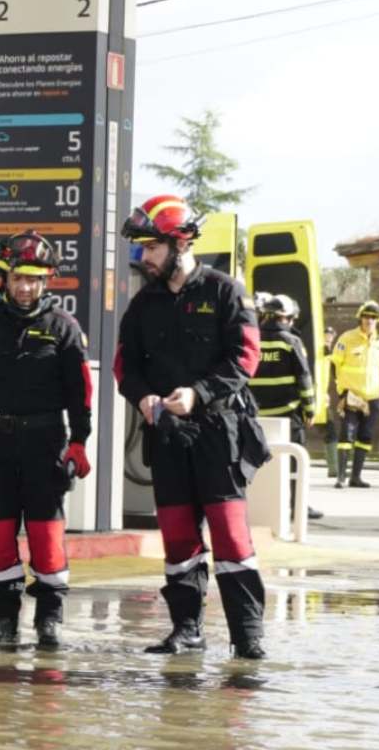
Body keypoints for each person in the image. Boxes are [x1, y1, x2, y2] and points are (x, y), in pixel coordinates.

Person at [114, 194, 270, 660]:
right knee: (178, 539)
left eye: (151, 248)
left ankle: (248, 637)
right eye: (142, 249)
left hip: (219, 433)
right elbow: (126, 366)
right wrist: (142, 397)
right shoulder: (143, 305)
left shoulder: (226, 291)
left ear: (179, 243)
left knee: (231, 539)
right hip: (166, 436)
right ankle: (186, 630)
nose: (143, 258)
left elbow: (246, 358)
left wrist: (198, 394)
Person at [0, 231, 92, 650]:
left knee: (47, 535)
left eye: (33, 279)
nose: (25, 287)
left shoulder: (64, 328)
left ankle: (50, 619)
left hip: (46, 442)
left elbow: (80, 395)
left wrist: (79, 441)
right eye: (18, 278)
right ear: (4, 279)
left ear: (46, 281)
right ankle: (3, 619)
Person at [248, 294, 323, 520]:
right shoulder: (291, 342)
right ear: (287, 318)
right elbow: (304, 379)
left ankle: (255, 506)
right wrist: (310, 410)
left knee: (256, 461)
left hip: (256, 415)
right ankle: (297, 506)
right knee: (294, 462)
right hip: (288, 415)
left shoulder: (252, 339)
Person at [331, 300, 379, 489]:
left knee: (365, 436)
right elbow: (334, 365)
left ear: (378, 320)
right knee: (346, 435)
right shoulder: (346, 338)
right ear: (360, 317)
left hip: (373, 397)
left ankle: (356, 477)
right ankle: (341, 477)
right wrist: (342, 392)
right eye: (366, 316)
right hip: (351, 396)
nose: (369, 320)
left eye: (373, 317)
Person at [320, 326, 339, 479]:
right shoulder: (320, 351)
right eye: (326, 335)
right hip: (313, 398)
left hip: (321, 400)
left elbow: (336, 375)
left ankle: (334, 468)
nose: (328, 338)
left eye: (331, 336)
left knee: (330, 431)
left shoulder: (330, 354)